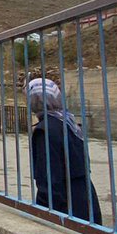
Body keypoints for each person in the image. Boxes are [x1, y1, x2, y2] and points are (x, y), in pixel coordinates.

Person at [27, 79, 102, 223]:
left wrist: (42, 212)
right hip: (85, 198)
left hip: (66, 204)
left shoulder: (46, 130)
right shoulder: (68, 122)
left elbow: (49, 177)